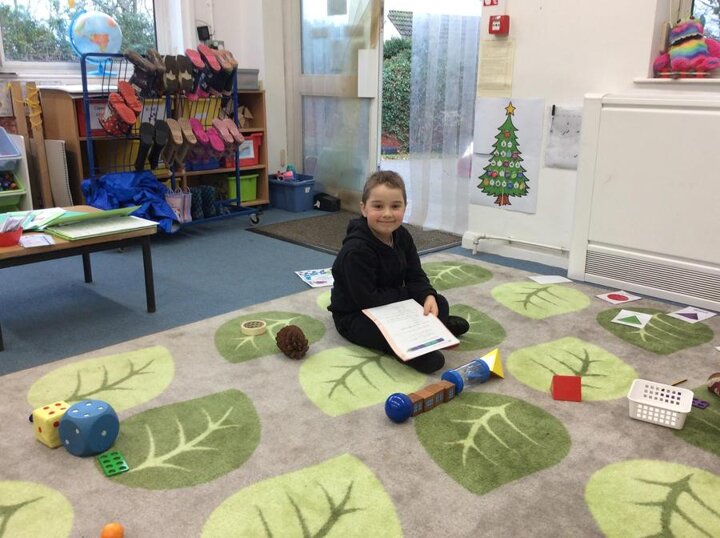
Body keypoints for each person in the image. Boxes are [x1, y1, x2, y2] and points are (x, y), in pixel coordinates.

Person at [329, 171, 469, 373]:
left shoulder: (402, 236)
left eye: (395, 206)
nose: (387, 214)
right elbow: (367, 299)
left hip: (394, 304)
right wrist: (410, 295)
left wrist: (426, 295)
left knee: (439, 302)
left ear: (405, 207)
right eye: (378, 206)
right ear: (364, 209)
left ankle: (433, 328)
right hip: (357, 313)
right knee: (373, 331)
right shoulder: (356, 251)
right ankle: (410, 346)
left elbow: (415, 274)